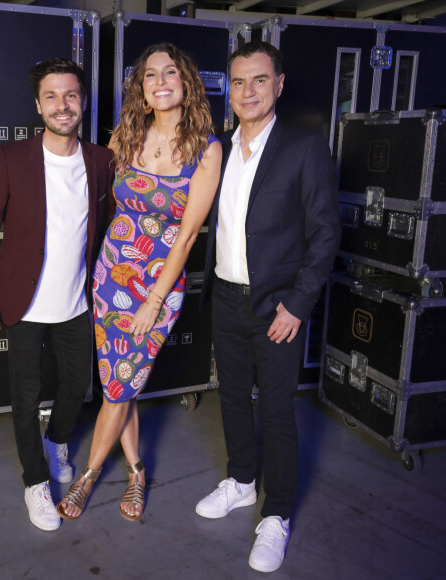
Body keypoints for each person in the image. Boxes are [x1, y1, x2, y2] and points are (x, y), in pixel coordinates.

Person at [57, 43, 221, 522]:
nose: (162, 80)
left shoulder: (207, 148)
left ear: (186, 84)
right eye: (151, 75)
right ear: (143, 91)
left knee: (119, 384)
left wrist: (152, 300)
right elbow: (100, 200)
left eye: (172, 71)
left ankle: (87, 478)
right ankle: (135, 470)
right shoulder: (127, 137)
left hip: (158, 284)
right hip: (111, 276)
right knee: (117, 383)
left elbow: (188, 235)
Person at [195, 41, 341, 572]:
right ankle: (240, 480)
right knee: (231, 397)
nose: (248, 91)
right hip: (226, 298)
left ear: (278, 84)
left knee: (277, 411)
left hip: (278, 307)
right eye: (238, 82)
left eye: (259, 80)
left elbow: (325, 234)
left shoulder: (304, 147)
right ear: (227, 90)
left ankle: (276, 514)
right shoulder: (219, 149)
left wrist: (298, 306)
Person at [0, 58, 115, 532]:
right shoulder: (11, 158)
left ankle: (57, 442)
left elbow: (111, 226)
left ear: (83, 100)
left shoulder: (101, 160)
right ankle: (35, 483)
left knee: (77, 386)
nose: (62, 105)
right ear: (38, 105)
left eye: (70, 95)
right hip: (22, 302)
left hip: (77, 301)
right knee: (26, 396)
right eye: (51, 96)